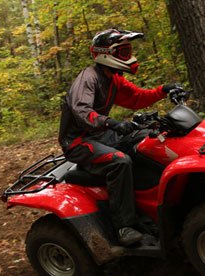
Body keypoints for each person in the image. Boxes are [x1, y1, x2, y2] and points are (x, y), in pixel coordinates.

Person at [58, 28, 180, 246]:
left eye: (128, 50)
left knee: (148, 138)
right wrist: (112, 123)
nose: (128, 55)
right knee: (119, 161)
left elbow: (136, 98)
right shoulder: (88, 78)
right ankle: (124, 226)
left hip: (102, 134)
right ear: (106, 54)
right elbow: (82, 111)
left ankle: (153, 201)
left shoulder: (113, 78)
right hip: (78, 142)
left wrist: (164, 89)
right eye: (123, 51)